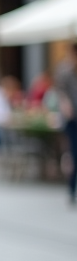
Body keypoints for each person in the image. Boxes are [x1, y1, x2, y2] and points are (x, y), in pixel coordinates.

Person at [54, 43, 77, 205]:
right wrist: (65, 103)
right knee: (74, 154)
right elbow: (60, 93)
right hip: (72, 120)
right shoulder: (64, 71)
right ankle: (71, 189)